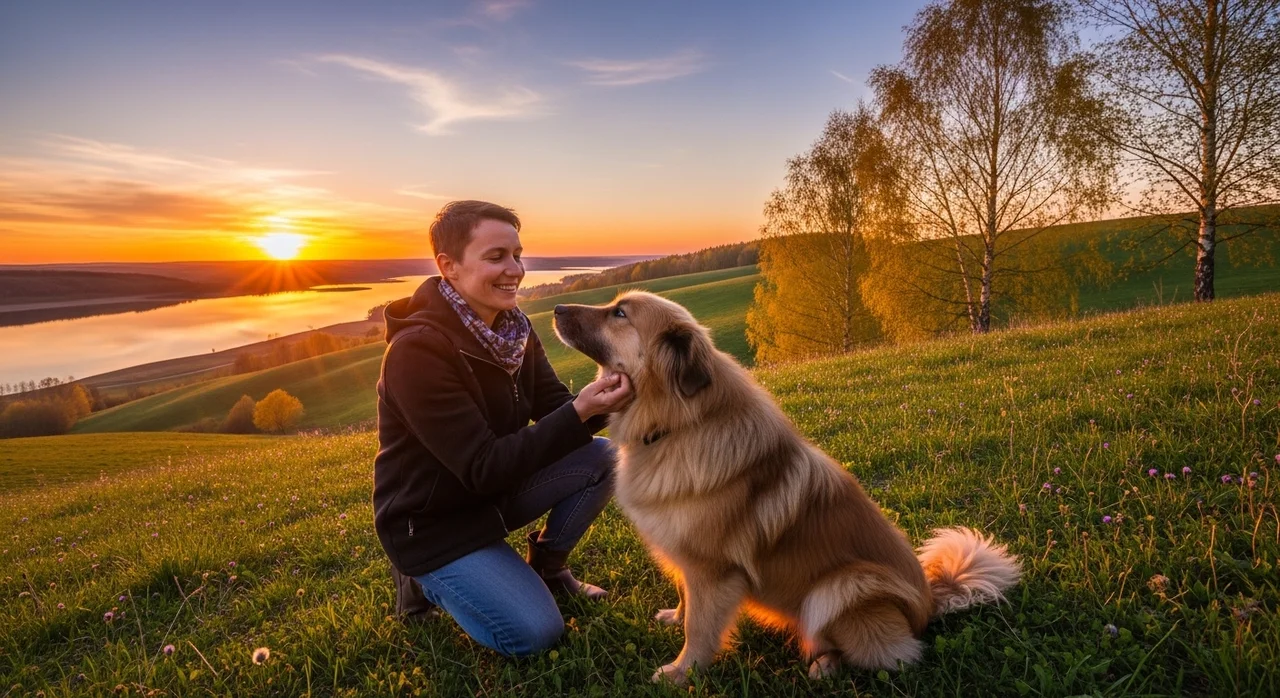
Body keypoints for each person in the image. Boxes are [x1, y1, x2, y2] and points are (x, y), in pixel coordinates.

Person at [373, 200, 633, 657]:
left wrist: (629, 401)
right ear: (448, 266)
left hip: (490, 497)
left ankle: (549, 569)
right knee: (534, 633)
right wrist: (579, 413)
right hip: (434, 523)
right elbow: (483, 467)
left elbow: (555, 407)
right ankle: (420, 578)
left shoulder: (513, 330)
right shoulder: (417, 352)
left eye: (517, 255)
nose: (514, 269)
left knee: (603, 456)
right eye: (496, 257)